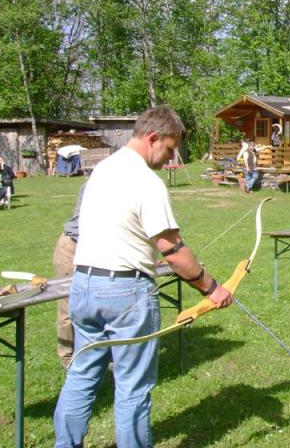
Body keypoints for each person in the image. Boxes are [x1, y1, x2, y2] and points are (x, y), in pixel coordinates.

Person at [53, 106, 233, 448]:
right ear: (153, 137)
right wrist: (212, 288)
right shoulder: (145, 181)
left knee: (81, 375)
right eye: (168, 150)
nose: (169, 160)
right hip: (125, 291)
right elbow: (173, 251)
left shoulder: (102, 169)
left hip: (84, 286)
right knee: (133, 387)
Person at [53, 184, 86, 370]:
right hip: (72, 247)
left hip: (95, 249)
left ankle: (98, 353)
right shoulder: (97, 182)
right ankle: (67, 358)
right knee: (69, 307)